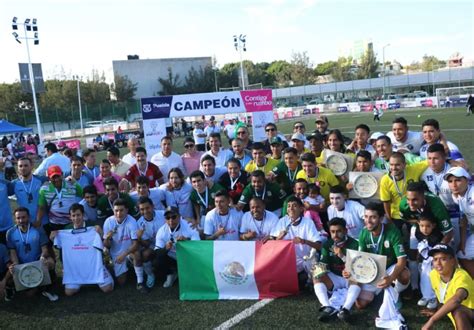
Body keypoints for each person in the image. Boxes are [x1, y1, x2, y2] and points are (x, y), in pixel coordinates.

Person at [354, 202, 410, 329]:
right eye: (366, 217)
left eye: (373, 217)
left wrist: (390, 278)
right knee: (360, 304)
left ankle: (393, 293)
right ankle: (384, 292)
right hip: (373, 270)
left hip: (390, 268)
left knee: (404, 275)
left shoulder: (392, 231)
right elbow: (360, 258)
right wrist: (350, 270)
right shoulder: (363, 233)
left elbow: (402, 260)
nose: (368, 221)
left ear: (381, 218)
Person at [399, 182, 453, 298]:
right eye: (408, 199)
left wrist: (437, 250)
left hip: (437, 229)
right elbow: (408, 220)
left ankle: (440, 291)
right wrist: (420, 227)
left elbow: (448, 232)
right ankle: (415, 288)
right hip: (419, 226)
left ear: (424, 196)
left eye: (414, 200)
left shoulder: (436, 206)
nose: (410, 203)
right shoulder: (404, 205)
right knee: (413, 255)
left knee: (438, 257)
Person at [52, 204, 114, 296]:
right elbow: (62, 250)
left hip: (94, 266)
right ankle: (82, 280)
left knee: (108, 288)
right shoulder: (66, 230)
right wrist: (53, 238)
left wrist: (101, 234)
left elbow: (104, 245)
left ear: (83, 215)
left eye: (78, 215)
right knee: (69, 293)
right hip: (75, 269)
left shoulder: (92, 227)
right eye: (73, 215)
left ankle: (105, 269)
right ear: (70, 217)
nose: (76, 218)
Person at [314, 217, 360, 323]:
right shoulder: (327, 244)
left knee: (358, 277)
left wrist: (342, 256)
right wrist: (317, 269)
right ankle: (327, 306)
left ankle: (345, 310)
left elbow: (358, 267)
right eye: (332, 232)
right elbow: (323, 265)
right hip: (334, 278)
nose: (335, 234)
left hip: (350, 278)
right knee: (316, 271)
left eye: (339, 231)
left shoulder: (355, 244)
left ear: (345, 231)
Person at [7, 207, 58, 301]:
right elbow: (12, 252)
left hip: (37, 262)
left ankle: (48, 286)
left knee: (50, 262)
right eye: (18, 218)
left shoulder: (38, 230)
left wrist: (42, 257)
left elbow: (45, 249)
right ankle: (36, 286)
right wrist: (15, 264)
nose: (21, 220)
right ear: (15, 219)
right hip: (22, 264)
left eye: (24, 217)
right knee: (30, 295)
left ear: (29, 217)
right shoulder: (10, 233)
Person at [272, 196, 323, 286]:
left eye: (294, 206)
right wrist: (279, 238)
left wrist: (304, 241)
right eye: (288, 206)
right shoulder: (282, 221)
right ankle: (301, 278)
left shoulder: (308, 222)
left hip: (308, 258)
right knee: (286, 284)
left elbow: (319, 246)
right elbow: (273, 246)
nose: (291, 208)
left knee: (319, 279)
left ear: (301, 209)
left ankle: (308, 279)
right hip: (290, 260)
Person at [423, 244, 474, 330]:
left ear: (453, 261)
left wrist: (432, 320)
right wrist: (438, 312)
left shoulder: (461, 276)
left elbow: (457, 299)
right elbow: (442, 298)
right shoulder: (433, 274)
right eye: (435, 259)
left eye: (443, 259)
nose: (438, 263)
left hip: (469, 314)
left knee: (458, 310)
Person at [421, 144, 461, 247]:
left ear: (444, 158)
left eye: (435, 158)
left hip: (454, 214)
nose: (432, 162)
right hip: (435, 215)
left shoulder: (454, 172)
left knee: (455, 247)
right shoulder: (424, 174)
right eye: (429, 158)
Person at [103, 199, 146, 292]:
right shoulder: (108, 222)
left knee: (137, 254)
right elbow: (107, 245)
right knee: (121, 282)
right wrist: (107, 238)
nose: (118, 213)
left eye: (121, 210)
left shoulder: (132, 221)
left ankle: (140, 282)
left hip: (128, 252)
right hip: (115, 254)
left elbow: (135, 244)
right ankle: (122, 269)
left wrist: (123, 255)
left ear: (126, 210)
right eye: (116, 211)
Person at [154, 206, 200, 288]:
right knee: (158, 260)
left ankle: (191, 274)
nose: (171, 220)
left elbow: (198, 245)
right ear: (165, 219)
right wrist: (165, 248)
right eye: (168, 218)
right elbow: (157, 252)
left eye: (173, 217)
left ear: (179, 216)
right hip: (172, 256)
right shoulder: (161, 231)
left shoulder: (189, 225)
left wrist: (187, 241)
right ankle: (171, 273)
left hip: (187, 255)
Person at [379, 152, 428, 227]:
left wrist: (449, 160)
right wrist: (389, 219)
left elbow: (429, 161)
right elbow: (386, 202)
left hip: (414, 212)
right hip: (396, 215)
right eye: (391, 165)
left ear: (404, 165)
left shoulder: (413, 169)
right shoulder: (385, 180)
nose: (394, 168)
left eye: (397, 165)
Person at [444, 166, 474, 278]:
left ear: (467, 180)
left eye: (458, 180)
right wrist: (463, 243)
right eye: (450, 181)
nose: (454, 184)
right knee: (462, 254)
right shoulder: (456, 196)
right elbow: (464, 220)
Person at [36, 166, 83, 233]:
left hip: (71, 222)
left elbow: (83, 195)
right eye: (53, 177)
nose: (56, 179)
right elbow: (41, 207)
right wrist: (38, 220)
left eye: (58, 176)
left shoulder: (72, 184)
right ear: (49, 178)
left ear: (62, 174)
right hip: (54, 224)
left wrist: (75, 182)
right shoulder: (44, 189)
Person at [415, 213, 443, 310]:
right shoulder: (418, 234)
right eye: (422, 226)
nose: (424, 229)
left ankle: (434, 298)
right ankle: (426, 296)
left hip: (434, 262)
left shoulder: (436, 236)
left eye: (428, 226)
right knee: (424, 278)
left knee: (434, 278)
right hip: (425, 262)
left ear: (433, 226)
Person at [136, 196, 165, 289]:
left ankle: (172, 272)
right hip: (154, 246)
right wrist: (139, 238)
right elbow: (147, 244)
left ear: (152, 206)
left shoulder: (163, 214)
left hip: (168, 243)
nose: (145, 211)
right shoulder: (139, 223)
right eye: (142, 209)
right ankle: (150, 274)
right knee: (145, 254)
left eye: (147, 208)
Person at [8, 157, 44, 226]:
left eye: (26, 165)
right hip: (25, 223)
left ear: (31, 166)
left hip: (43, 221)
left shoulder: (41, 180)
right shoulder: (14, 184)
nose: (23, 168)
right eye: (20, 166)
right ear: (17, 168)